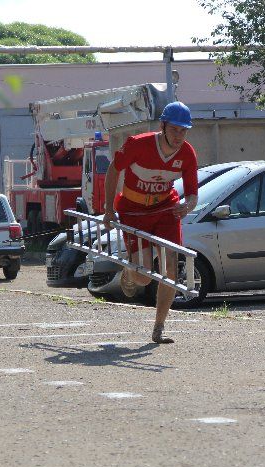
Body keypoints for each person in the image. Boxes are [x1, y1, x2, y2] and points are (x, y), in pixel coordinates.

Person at [103, 101, 199, 343]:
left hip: (166, 211)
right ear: (163, 126)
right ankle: (129, 272)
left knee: (170, 269)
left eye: (184, 130)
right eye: (174, 129)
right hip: (133, 212)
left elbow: (192, 194)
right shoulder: (138, 144)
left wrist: (187, 206)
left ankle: (159, 327)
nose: (179, 135)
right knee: (144, 277)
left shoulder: (187, 153)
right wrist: (108, 209)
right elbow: (113, 170)